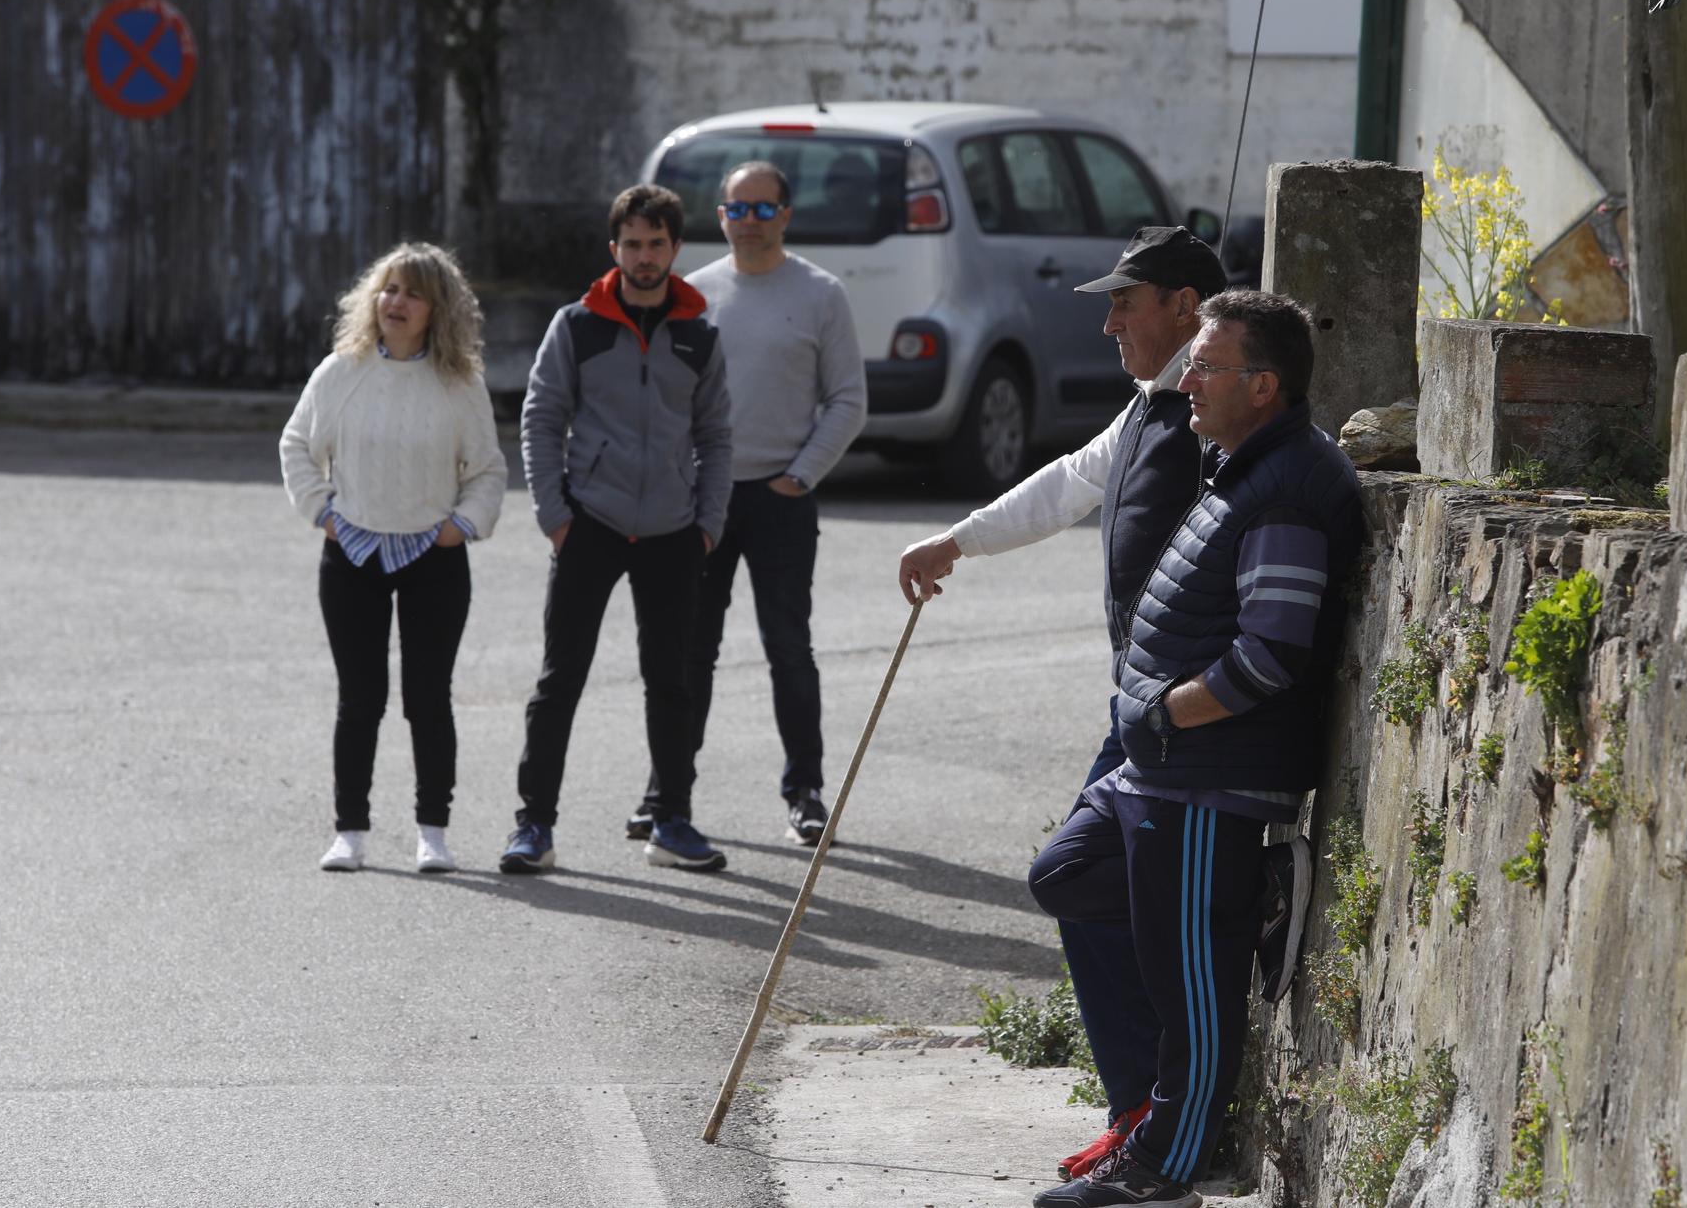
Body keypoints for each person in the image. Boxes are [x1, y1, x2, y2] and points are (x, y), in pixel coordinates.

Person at [900, 225, 1309, 1181]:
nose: (1110, 322)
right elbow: (1065, 487)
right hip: (1146, 719)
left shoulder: (1228, 429)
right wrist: (954, 542)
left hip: (1197, 730)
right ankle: (1142, 1100)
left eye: (1126, 301)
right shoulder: (1144, 412)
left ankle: (1169, 1127)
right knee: (1072, 877)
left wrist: (1187, 707)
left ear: (1185, 307)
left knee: (1092, 881)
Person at [1027, 290, 1365, 1208]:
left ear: (1263, 385)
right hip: (1158, 769)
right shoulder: (1239, 463)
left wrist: (1169, 713)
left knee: (1195, 987)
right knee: (1065, 872)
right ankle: (1247, 898)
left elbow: (1270, 654)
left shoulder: (1288, 486)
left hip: (1210, 779)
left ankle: (1167, 1171)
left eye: (1205, 367)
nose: (1186, 382)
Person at [625, 160, 865, 849]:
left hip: (782, 498)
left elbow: (848, 397)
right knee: (689, 652)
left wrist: (801, 474)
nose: (751, 221)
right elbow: (665, 399)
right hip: (702, 502)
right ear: (720, 217)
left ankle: (805, 792)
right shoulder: (692, 293)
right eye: (738, 209)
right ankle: (666, 793)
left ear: (786, 215)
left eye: (765, 209)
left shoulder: (821, 293)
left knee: (789, 647)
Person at [500, 184, 734, 875]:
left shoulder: (700, 334)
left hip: (672, 531)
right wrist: (556, 516)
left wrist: (707, 526)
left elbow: (717, 437)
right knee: (559, 679)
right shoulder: (577, 325)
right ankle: (534, 826)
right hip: (590, 525)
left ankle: (673, 819)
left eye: (656, 243)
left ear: (675, 249)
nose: (644, 256)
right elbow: (540, 419)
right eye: (631, 244)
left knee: (672, 680)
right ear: (614, 250)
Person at [279, 242, 508, 874]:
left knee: (428, 698)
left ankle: (433, 832)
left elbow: (487, 471)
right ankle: (349, 831)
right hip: (350, 553)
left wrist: (461, 527)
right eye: (387, 290)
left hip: (433, 556)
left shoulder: (459, 383)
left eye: (411, 293)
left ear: (439, 309)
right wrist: (323, 512)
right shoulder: (341, 372)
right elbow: (297, 444)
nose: (396, 303)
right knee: (360, 698)